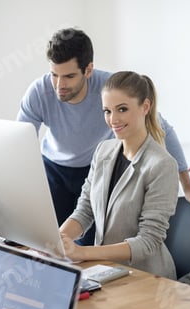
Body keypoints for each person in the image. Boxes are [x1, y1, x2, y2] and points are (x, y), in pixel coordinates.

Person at [17, 28, 190, 245]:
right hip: (54, 168)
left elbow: (163, 129)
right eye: (54, 75)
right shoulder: (39, 92)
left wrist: (188, 186)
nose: (59, 85)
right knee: (49, 242)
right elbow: (19, 144)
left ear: (88, 69)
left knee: (89, 246)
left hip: (94, 169)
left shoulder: (110, 89)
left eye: (69, 76)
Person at [59, 71, 178, 278]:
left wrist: (83, 252)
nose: (113, 119)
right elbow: (85, 210)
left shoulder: (162, 165)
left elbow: (148, 241)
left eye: (122, 109)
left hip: (146, 277)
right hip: (105, 269)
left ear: (145, 107)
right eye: (107, 111)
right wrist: (57, 240)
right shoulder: (103, 150)